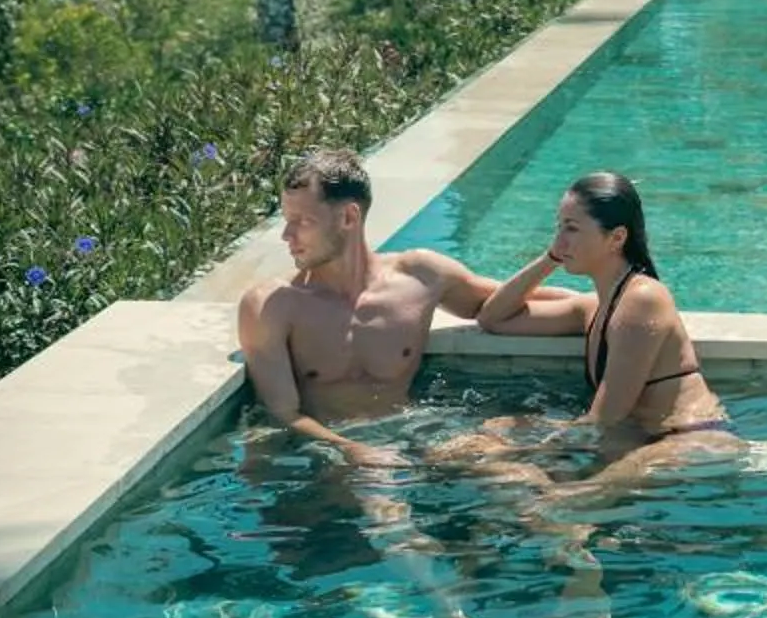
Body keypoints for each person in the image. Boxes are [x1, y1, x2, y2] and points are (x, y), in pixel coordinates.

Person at [237, 145, 558, 464]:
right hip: (333, 455)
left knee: (516, 474)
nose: (286, 234)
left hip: (414, 434)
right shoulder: (271, 306)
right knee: (379, 495)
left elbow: (502, 300)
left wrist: (571, 280)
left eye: (302, 221)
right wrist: (351, 449)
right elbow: (283, 415)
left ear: (349, 217)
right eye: (287, 220)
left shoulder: (419, 275)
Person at [473, 170, 730, 461]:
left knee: (514, 475)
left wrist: (518, 451)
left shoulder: (643, 300)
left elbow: (606, 417)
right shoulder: (595, 306)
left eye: (571, 229)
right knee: (492, 432)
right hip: (641, 438)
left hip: (691, 442)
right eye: (559, 227)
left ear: (617, 237)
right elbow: (494, 318)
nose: (559, 241)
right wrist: (551, 258)